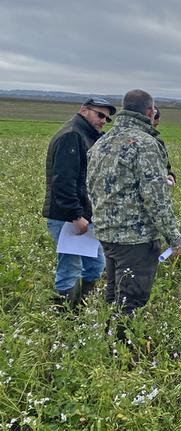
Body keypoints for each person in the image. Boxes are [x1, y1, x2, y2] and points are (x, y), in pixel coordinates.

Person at [87, 90, 181, 322]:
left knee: (113, 295)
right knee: (131, 301)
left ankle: (108, 342)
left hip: (106, 234)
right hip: (135, 239)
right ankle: (120, 352)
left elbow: (90, 185)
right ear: (150, 112)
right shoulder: (145, 144)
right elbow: (156, 198)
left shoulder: (102, 141)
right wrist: (174, 237)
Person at [43, 96, 116, 309]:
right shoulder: (72, 135)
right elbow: (63, 180)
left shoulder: (88, 135)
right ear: (84, 110)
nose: (103, 120)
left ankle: (80, 309)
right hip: (69, 218)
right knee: (70, 269)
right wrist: (76, 215)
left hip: (85, 216)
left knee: (95, 265)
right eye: (99, 114)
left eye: (107, 118)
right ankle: (66, 314)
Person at [152, 107, 176, 185]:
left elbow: (165, 164)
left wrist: (169, 174)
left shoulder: (158, 141)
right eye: (154, 125)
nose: (154, 129)